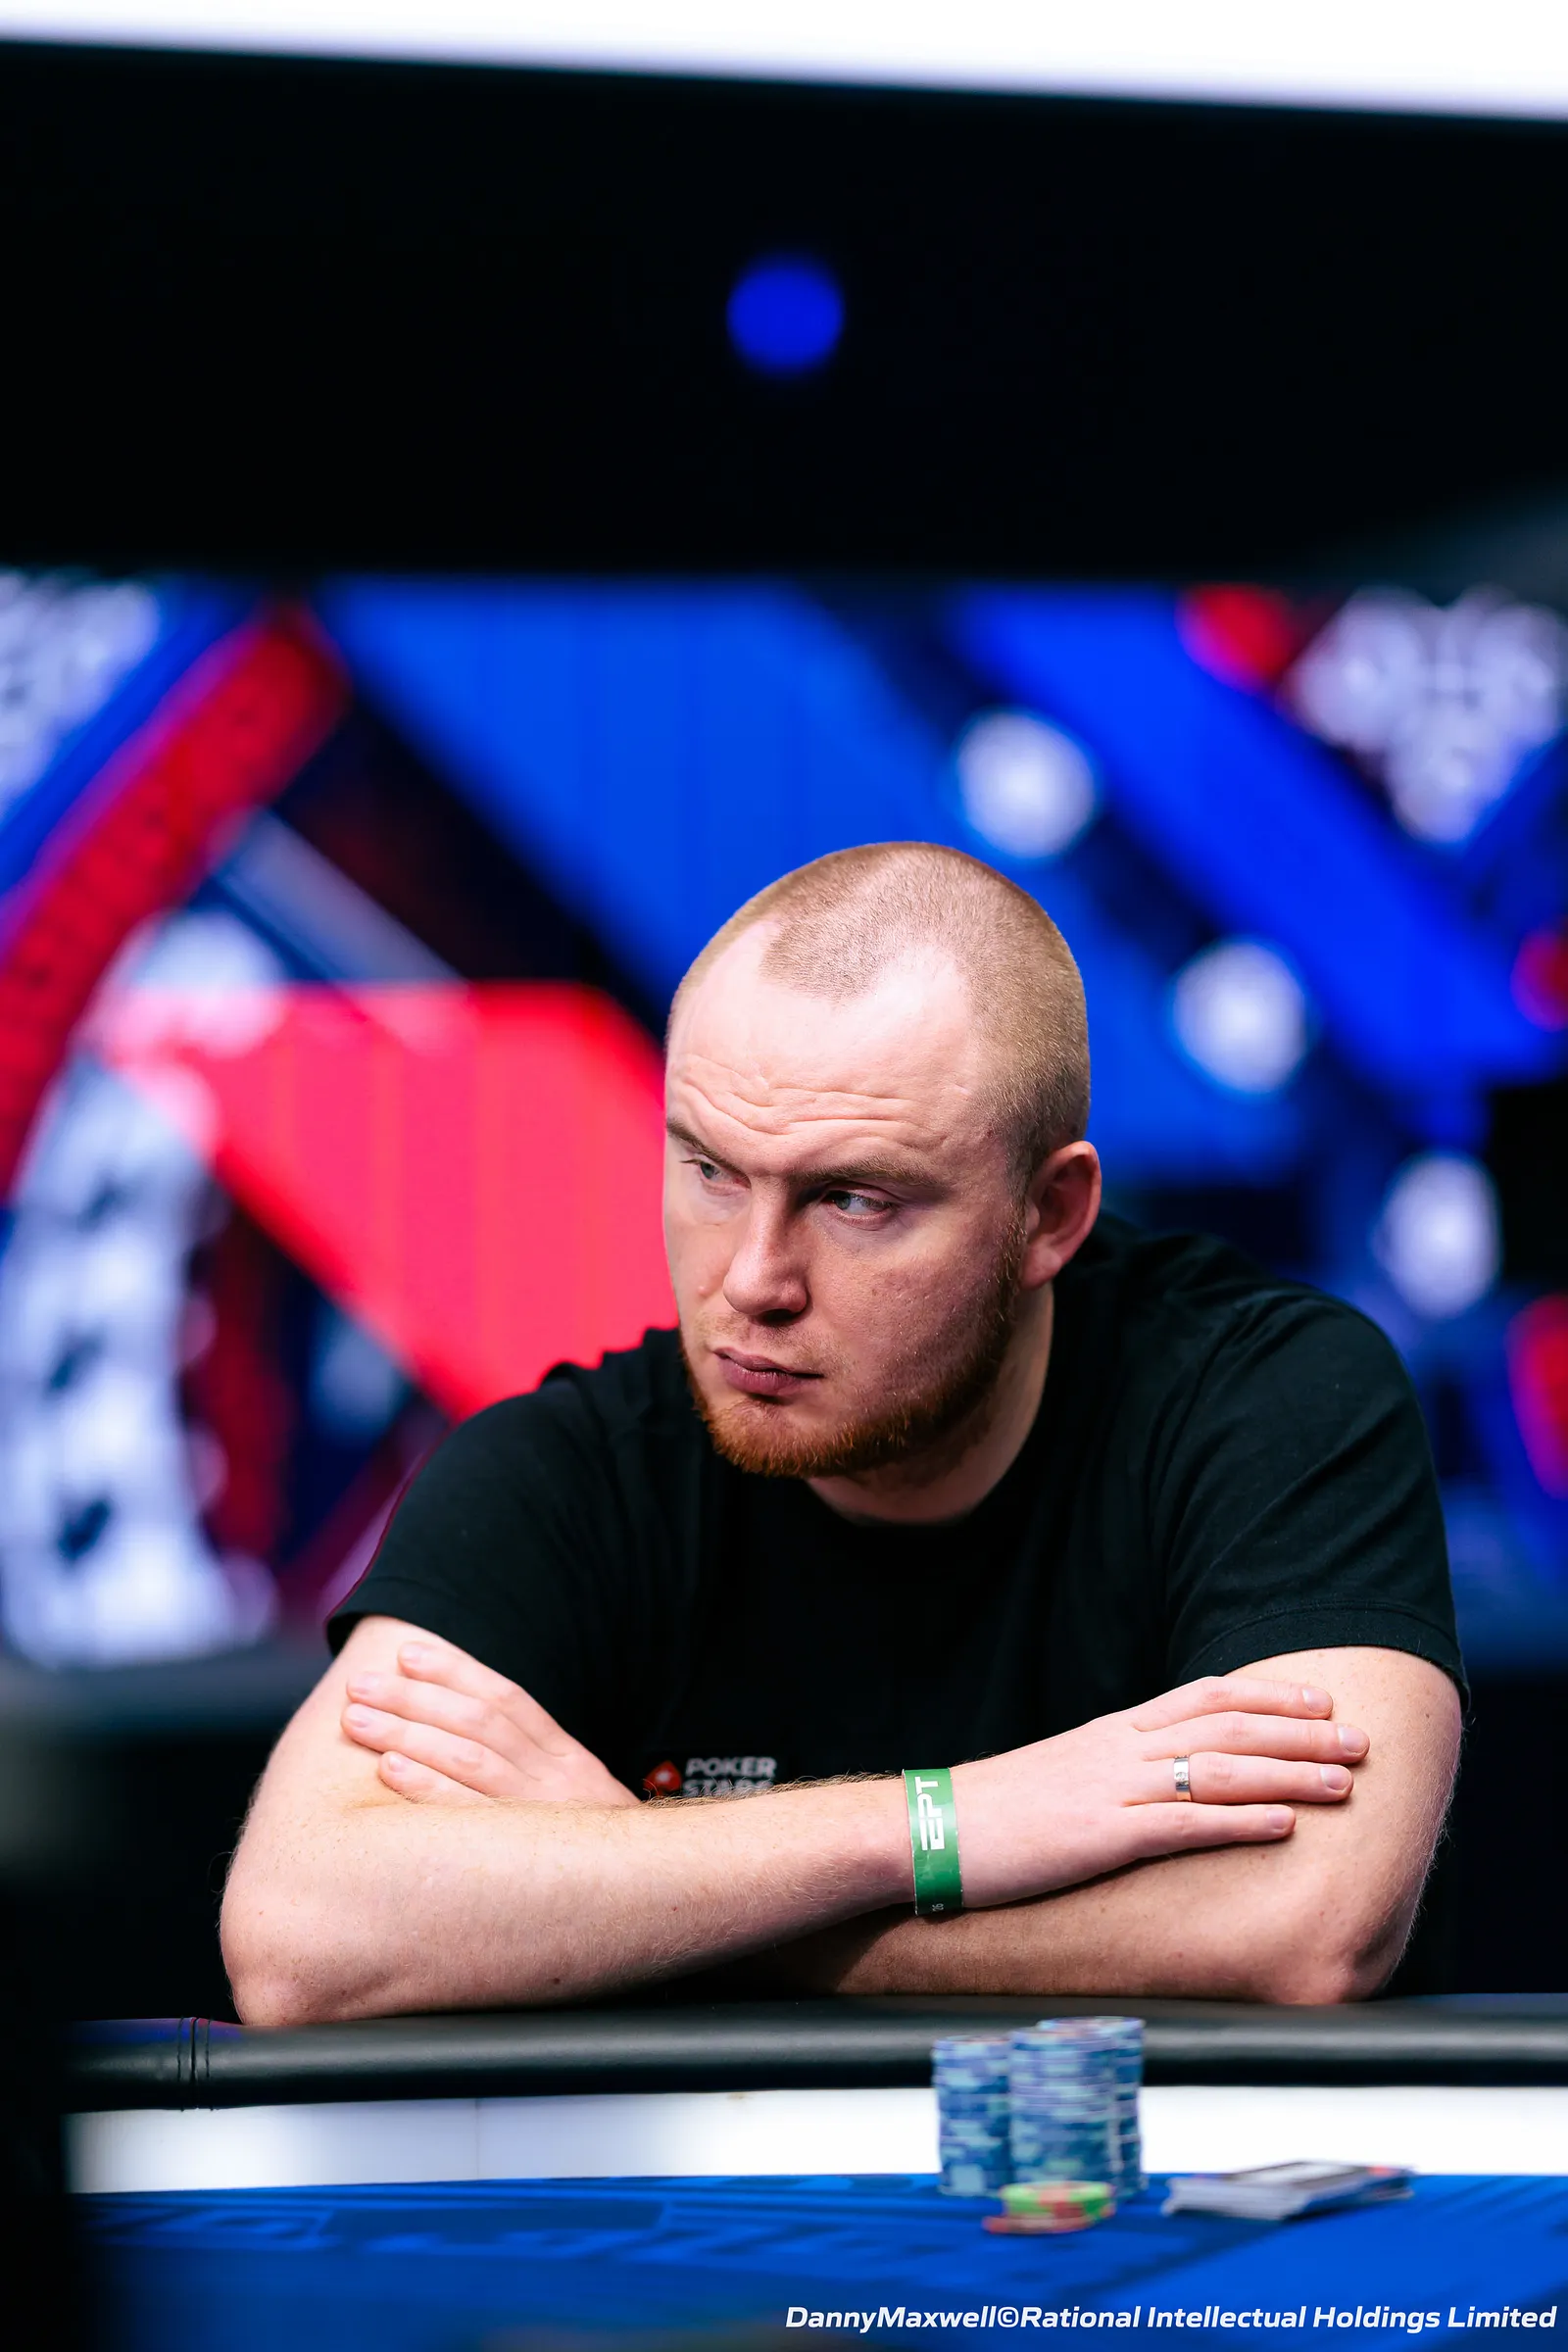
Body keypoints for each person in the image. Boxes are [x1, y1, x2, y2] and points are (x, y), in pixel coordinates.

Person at [221, 843, 1463, 2027]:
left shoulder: (1268, 1397)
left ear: (1049, 1214)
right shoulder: (569, 1470)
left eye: (853, 1199)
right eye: (711, 1170)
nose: (751, 1281)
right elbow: (300, 1940)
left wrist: (644, 1882)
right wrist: (947, 1824)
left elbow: (1306, 1926)